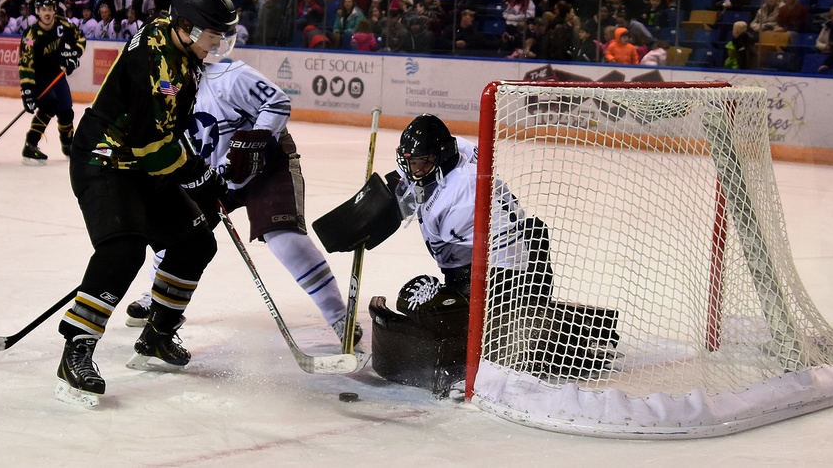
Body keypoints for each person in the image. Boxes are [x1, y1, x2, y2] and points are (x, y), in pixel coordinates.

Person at [56, 0, 239, 407]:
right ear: (188, 27)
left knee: (195, 242)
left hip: (141, 162)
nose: (216, 45)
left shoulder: (177, 38)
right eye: (213, 36)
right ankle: (76, 351)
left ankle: (157, 333)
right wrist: (200, 176)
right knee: (123, 251)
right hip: (104, 161)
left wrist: (197, 181)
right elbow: (152, 148)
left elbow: (165, 135)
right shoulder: (156, 64)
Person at [123, 57, 363, 346]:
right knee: (177, 236)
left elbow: (277, 103)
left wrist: (255, 140)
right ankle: (157, 296)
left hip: (266, 164)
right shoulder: (167, 90)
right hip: (210, 172)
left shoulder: (229, 76)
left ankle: (339, 316)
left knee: (284, 237)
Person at [370, 114, 557, 397]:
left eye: (420, 163)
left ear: (440, 157)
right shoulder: (460, 148)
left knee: (430, 307)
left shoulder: (453, 203)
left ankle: (496, 351)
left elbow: (435, 235)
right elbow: (415, 183)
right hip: (517, 252)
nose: (414, 170)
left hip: (508, 276)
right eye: (410, 162)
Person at [18, 0, 86, 165]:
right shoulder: (31, 36)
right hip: (39, 77)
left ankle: (68, 144)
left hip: (57, 75)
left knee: (66, 111)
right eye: (43, 10)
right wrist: (27, 92)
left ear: (54, 10)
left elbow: (80, 39)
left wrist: (73, 56)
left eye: (49, 9)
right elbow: (25, 65)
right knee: (48, 107)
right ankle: (30, 145)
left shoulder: (63, 24)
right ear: (37, 12)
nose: (47, 13)